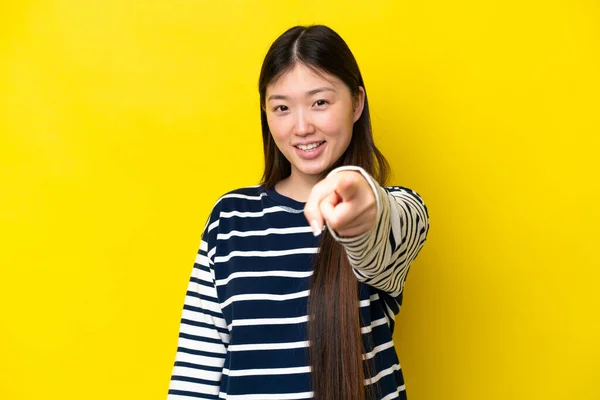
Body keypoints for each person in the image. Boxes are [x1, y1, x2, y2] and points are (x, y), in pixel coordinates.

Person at [167, 24, 430, 400]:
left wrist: (359, 197)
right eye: (282, 107)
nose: (302, 127)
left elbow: (387, 220)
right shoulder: (230, 220)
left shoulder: (396, 211)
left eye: (320, 102)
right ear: (265, 112)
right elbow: (195, 375)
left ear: (356, 103)